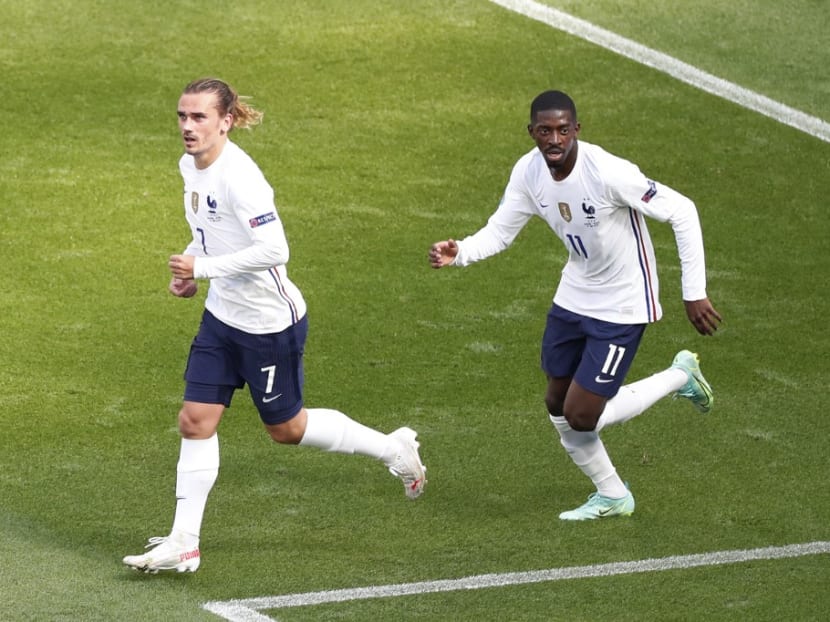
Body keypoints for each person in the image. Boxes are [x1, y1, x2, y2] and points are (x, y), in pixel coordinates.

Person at [124, 78, 426, 573]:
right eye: (182, 116)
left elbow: (275, 251)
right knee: (194, 420)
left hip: (268, 325)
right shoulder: (189, 166)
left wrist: (201, 270)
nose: (187, 126)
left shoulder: (241, 178)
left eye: (199, 117)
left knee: (287, 429)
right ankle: (184, 541)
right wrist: (195, 268)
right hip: (222, 318)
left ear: (225, 121)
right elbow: (211, 232)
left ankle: (394, 447)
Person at [429, 90, 721, 521]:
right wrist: (462, 252)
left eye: (563, 129)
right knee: (556, 402)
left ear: (577, 130)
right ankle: (614, 495)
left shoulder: (608, 172)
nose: (555, 138)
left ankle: (680, 376)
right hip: (575, 292)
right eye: (545, 130)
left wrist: (693, 291)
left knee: (582, 415)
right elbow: (501, 230)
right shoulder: (529, 173)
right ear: (531, 133)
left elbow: (683, 211)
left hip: (623, 303)